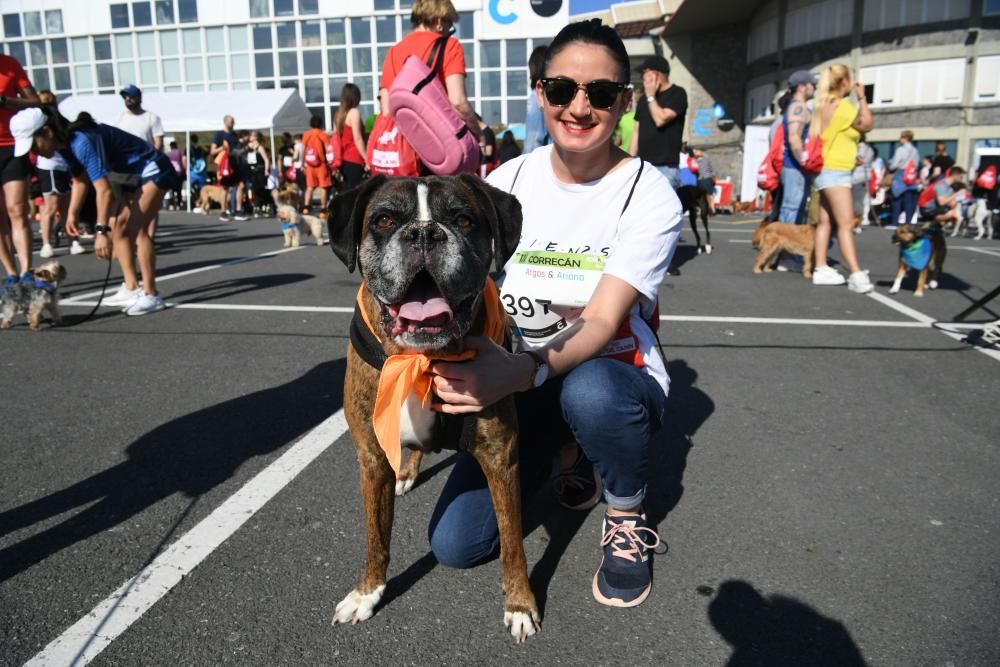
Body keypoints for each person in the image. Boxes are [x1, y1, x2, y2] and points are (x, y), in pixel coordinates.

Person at [428, 19, 681, 609]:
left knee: (590, 394)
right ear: (541, 91)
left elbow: (598, 322)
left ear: (624, 101)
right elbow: (465, 286)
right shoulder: (506, 180)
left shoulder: (648, 194)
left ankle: (625, 511)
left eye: (599, 93)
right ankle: (566, 455)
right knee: (456, 545)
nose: (579, 107)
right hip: (525, 384)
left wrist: (521, 372)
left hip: (613, 376)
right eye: (563, 89)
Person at [13, 106, 176, 315]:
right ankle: (132, 287)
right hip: (131, 175)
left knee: (136, 230)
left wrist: (100, 232)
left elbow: (104, 191)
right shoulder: (65, 147)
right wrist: (72, 212)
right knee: (120, 230)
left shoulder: (81, 142)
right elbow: (80, 181)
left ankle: (152, 295)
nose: (34, 154)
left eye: (33, 146)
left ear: (47, 132)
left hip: (153, 168)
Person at [809, 64, 874, 293]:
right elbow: (867, 124)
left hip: (825, 169)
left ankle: (821, 267)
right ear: (845, 82)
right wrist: (862, 97)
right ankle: (856, 274)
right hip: (836, 171)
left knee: (825, 221)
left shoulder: (822, 105)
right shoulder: (844, 106)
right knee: (845, 224)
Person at [378, 0, 479, 143]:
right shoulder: (449, 46)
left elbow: (386, 109)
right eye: (450, 24)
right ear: (438, 21)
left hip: (404, 146)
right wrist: (478, 134)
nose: (450, 30)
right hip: (439, 144)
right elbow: (458, 102)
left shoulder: (394, 51)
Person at [0, 52, 40, 286]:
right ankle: (11, 273)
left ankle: (27, 271)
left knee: (16, 209)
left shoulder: (10, 64)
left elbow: (35, 101)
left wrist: (6, 101)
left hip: (12, 145)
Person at [35, 90, 83, 257]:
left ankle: (73, 241)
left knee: (67, 206)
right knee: (51, 207)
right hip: (50, 166)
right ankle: (46, 244)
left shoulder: (59, 119)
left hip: (64, 164)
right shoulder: (39, 122)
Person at [629, 54, 687, 190]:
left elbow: (660, 120)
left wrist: (650, 96)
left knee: (664, 209)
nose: (642, 77)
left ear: (656, 74)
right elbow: (637, 130)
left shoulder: (678, 94)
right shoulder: (643, 100)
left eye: (645, 73)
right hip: (643, 165)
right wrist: (630, 161)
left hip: (666, 167)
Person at [778, 70, 816, 225]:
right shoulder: (798, 108)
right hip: (795, 168)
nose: (814, 88)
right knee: (791, 209)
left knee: (796, 209)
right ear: (801, 87)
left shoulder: (798, 107)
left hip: (797, 168)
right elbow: (794, 138)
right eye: (812, 85)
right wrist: (803, 161)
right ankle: (783, 246)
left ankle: (789, 246)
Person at [210, 115, 246, 222]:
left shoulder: (235, 135)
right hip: (225, 165)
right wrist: (222, 148)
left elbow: (236, 149)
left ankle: (238, 210)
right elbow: (212, 151)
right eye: (231, 122)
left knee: (240, 185)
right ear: (225, 122)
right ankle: (223, 211)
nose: (233, 124)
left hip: (236, 164)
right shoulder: (219, 135)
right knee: (225, 187)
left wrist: (243, 149)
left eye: (233, 122)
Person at [333, 83, 368, 191]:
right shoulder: (354, 112)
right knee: (356, 193)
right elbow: (357, 138)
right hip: (355, 158)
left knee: (347, 192)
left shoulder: (338, 114)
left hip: (344, 161)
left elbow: (336, 138)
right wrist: (367, 159)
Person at [115, 85, 163, 151]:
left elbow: (158, 143)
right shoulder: (119, 118)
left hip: (146, 159)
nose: (127, 99)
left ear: (139, 98)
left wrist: (153, 159)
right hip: (125, 159)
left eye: (131, 96)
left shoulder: (152, 117)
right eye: (125, 96)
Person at [301, 116, 333, 214]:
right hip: (321, 165)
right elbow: (328, 150)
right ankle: (323, 209)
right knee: (323, 187)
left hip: (310, 165)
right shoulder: (323, 135)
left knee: (309, 187)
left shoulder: (306, 135)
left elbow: (303, 150)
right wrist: (331, 164)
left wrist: (302, 163)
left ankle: (306, 207)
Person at [888, 130, 920, 226]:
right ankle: (908, 222)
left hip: (901, 174)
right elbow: (917, 164)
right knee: (909, 201)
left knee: (897, 199)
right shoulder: (915, 150)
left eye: (901, 137)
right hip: (911, 175)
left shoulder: (900, 150)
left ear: (905, 138)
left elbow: (894, 164)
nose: (900, 140)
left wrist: (890, 167)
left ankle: (894, 222)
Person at [522, 45, 550, 153]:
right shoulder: (555, 94)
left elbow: (533, 140)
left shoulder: (537, 97)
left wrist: (526, 166)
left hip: (540, 163)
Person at [243, 130, 270, 215]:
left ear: (255, 137)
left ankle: (262, 205)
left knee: (259, 189)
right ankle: (251, 206)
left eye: (251, 136)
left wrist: (266, 169)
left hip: (259, 170)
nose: (249, 137)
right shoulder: (248, 147)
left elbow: (266, 159)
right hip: (249, 170)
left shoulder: (260, 147)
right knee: (249, 189)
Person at [851, 135, 874, 226]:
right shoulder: (870, 149)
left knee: (856, 199)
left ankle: (858, 218)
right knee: (865, 198)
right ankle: (865, 217)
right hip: (867, 174)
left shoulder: (856, 148)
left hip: (857, 174)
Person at [691, 146, 716, 213]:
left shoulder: (706, 160)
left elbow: (711, 170)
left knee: (709, 194)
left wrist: (713, 178)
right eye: (695, 151)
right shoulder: (693, 160)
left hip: (707, 178)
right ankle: (701, 208)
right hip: (699, 179)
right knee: (699, 195)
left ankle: (712, 208)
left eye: (697, 151)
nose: (696, 152)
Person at [165, 140, 186, 210]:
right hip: (179, 173)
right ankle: (179, 204)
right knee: (179, 190)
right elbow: (183, 162)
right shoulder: (180, 153)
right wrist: (185, 170)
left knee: (172, 190)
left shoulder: (168, 154)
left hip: (171, 173)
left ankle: (172, 204)